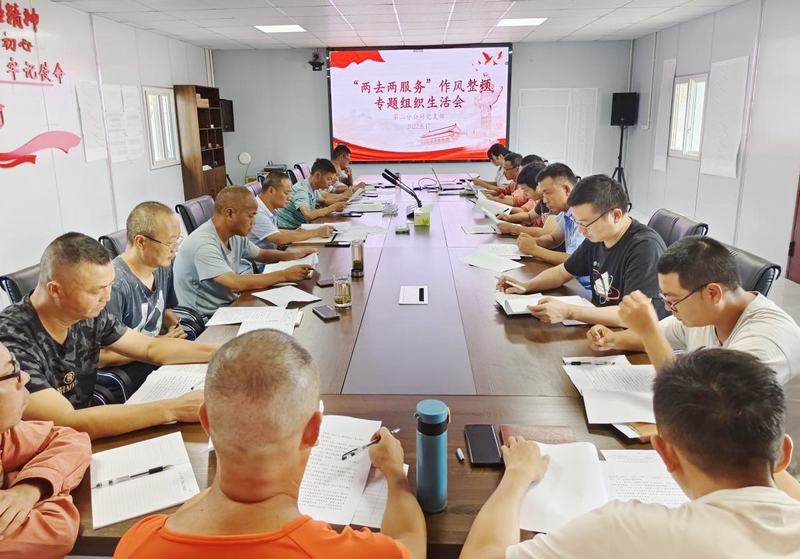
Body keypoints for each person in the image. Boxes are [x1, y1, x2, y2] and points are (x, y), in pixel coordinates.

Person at [460, 349, 800, 559]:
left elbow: (479, 555)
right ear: (785, 453)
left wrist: (517, 476)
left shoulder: (626, 529)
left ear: (664, 453)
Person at [114, 330, 426, 559]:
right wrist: (394, 472)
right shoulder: (337, 552)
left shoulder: (136, 543)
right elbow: (411, 544)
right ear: (312, 430)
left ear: (206, 421)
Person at [0, 233, 217, 440]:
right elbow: (65, 421)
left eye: (110, 286)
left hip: (83, 433)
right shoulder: (10, 339)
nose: (107, 297)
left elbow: (150, 348)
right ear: (55, 290)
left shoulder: (87, 313)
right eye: (96, 290)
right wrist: (173, 409)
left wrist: (223, 352)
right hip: (47, 446)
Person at [588, 236, 800, 382]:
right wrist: (612, 339)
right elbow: (659, 336)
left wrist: (649, 330)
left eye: (673, 301)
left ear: (713, 293)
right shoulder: (707, 312)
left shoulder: (765, 342)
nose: (669, 308)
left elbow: (705, 401)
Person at [497, 174, 667, 327]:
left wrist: (569, 311)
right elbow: (562, 272)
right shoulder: (598, 237)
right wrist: (526, 286)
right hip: (602, 327)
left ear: (615, 215)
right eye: (578, 223)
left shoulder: (645, 247)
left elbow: (632, 315)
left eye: (585, 224)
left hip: (633, 339)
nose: (581, 230)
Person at [0, 341, 91, 558]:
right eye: (12, 371)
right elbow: (57, 530)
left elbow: (69, 437)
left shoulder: (4, 435)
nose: (25, 377)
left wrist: (31, 485)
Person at [174, 186, 316, 318]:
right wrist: (284, 275)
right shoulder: (203, 244)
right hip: (205, 319)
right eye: (251, 215)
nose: (254, 222)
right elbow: (235, 283)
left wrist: (293, 255)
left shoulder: (234, 234)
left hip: (229, 306)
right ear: (229, 214)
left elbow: (261, 254)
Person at [101, 202, 186, 391]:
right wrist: (159, 343)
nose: (175, 250)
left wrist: (173, 325)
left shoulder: (162, 266)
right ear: (141, 242)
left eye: (177, 241)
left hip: (156, 354)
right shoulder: (113, 285)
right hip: (127, 370)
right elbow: (101, 356)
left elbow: (165, 309)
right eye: (170, 243)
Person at [249, 172, 335, 249]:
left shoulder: (267, 207)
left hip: (272, 253)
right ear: (271, 191)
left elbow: (273, 231)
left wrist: (296, 232)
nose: (290, 198)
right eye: (286, 193)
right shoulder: (257, 211)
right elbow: (278, 238)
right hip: (264, 261)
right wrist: (317, 232)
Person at [276, 158, 352, 229]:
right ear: (318, 175)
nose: (330, 183)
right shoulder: (301, 190)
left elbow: (324, 200)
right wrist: (333, 208)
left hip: (299, 228)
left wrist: (344, 200)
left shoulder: (312, 187)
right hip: (289, 230)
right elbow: (308, 215)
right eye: (329, 179)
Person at [495, 161, 550, 233]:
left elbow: (547, 232)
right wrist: (508, 217)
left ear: (538, 186)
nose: (524, 194)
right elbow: (529, 215)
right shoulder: (542, 201)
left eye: (526, 190)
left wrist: (512, 228)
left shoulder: (552, 204)